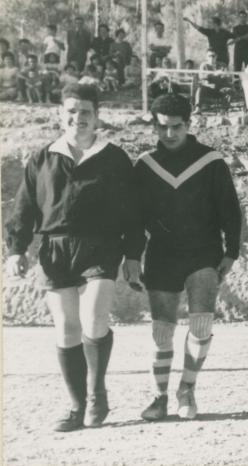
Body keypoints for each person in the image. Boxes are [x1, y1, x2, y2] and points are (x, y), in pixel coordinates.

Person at [4, 83, 139, 432]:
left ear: (97, 118)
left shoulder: (114, 158)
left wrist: (133, 254)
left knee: (94, 318)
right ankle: (77, 406)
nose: (78, 118)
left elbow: (133, 212)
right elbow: (25, 207)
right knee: (66, 327)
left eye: (86, 113)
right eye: (72, 111)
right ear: (61, 114)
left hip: (101, 245)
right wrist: (16, 249)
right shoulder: (43, 156)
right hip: (55, 248)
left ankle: (97, 394)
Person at [122, 92, 241, 421]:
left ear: (190, 125)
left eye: (176, 127)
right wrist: (132, 255)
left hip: (204, 252)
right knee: (162, 331)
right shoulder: (145, 165)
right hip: (162, 253)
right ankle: (159, 396)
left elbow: (229, 209)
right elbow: (134, 217)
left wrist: (232, 250)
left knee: (202, 323)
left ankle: (187, 389)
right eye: (162, 128)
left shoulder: (211, 161)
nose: (169, 134)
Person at [193, 49, 230, 114]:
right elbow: (202, 77)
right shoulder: (204, 65)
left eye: (213, 56)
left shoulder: (222, 65)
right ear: (206, 57)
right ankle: (198, 108)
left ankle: (224, 110)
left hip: (220, 88)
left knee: (230, 90)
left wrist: (225, 74)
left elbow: (227, 77)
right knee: (200, 89)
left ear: (216, 56)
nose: (211, 58)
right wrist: (214, 74)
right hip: (209, 88)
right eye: (209, 56)